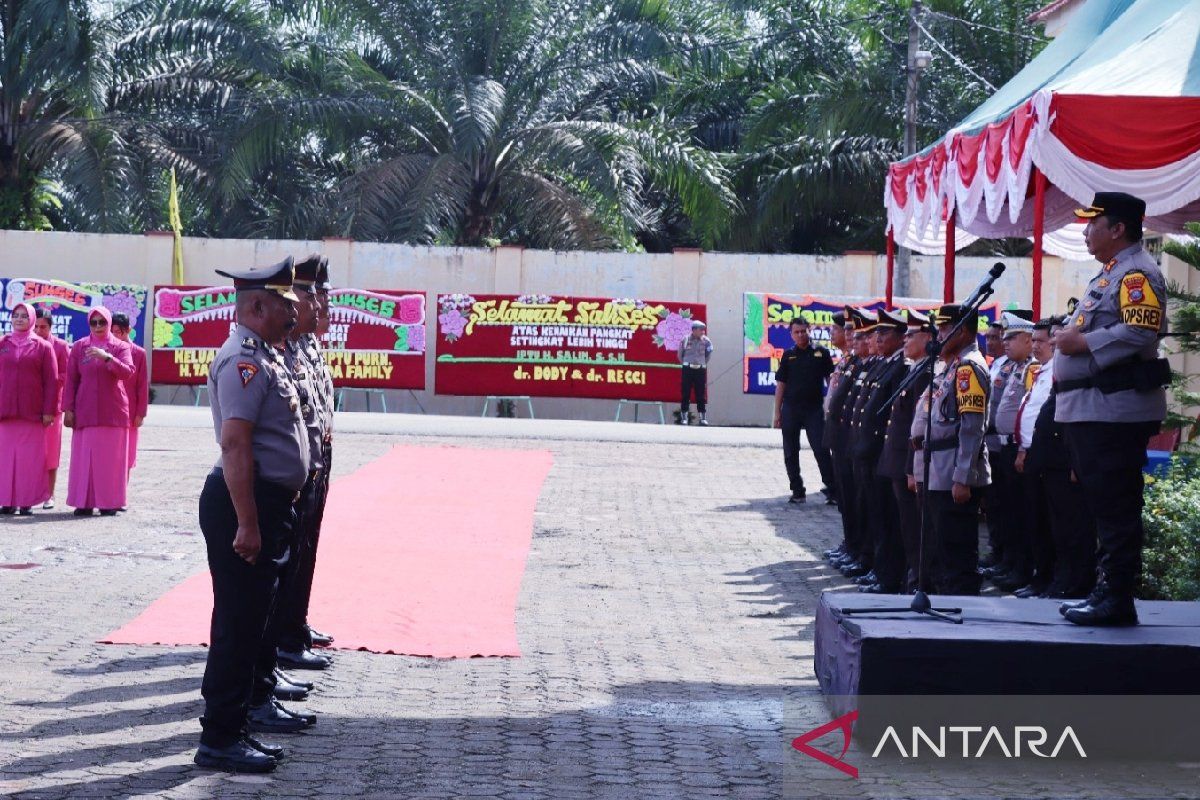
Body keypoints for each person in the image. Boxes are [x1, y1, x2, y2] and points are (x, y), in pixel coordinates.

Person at [195, 257, 310, 774]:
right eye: (285, 305)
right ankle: (220, 737)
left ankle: (235, 726)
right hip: (246, 503)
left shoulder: (266, 354)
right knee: (238, 623)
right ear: (257, 306)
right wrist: (247, 522)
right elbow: (235, 444)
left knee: (250, 621)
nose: (294, 313)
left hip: (264, 502)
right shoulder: (243, 359)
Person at [1056, 192, 1169, 626]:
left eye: (1092, 224)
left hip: (1114, 410)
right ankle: (1106, 590)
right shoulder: (1111, 274)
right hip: (1093, 409)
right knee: (1104, 506)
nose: (1085, 232)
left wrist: (1081, 342)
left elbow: (1141, 331)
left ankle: (1117, 598)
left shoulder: (1137, 272)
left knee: (1117, 507)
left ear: (1117, 228)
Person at [924, 304, 991, 596]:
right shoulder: (954, 366)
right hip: (942, 468)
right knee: (944, 548)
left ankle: (964, 611)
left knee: (958, 552)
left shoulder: (969, 368)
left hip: (956, 471)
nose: (938, 335)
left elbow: (972, 427)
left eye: (943, 328)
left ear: (962, 331)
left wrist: (962, 476)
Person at [852, 309, 910, 593]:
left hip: (881, 451)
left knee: (887, 518)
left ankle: (888, 574)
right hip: (871, 450)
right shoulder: (886, 364)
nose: (877, 337)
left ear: (900, 338)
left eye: (883, 333)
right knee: (877, 515)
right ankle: (880, 569)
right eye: (876, 333)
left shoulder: (902, 367)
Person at [877, 310, 934, 593]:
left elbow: (917, 426)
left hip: (908, 463)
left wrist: (912, 467)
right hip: (898, 460)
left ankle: (917, 582)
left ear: (928, 338)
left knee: (914, 528)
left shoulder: (925, 373)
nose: (906, 340)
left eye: (912, 335)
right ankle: (910, 578)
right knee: (905, 526)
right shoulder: (915, 369)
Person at [63, 308, 134, 516]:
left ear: (109, 323)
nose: (97, 326)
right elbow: (71, 380)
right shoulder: (79, 347)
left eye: (102, 322)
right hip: (85, 410)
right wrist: (68, 408)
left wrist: (107, 358)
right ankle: (83, 502)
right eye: (93, 322)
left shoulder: (120, 346)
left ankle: (109, 502)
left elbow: (128, 372)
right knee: (83, 460)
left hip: (112, 411)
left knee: (110, 462)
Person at [987, 311, 1038, 593]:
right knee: (1006, 511)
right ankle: (1008, 563)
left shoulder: (1031, 369)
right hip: (1002, 447)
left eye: (1011, 338)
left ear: (1029, 340)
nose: (1005, 343)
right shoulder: (1013, 367)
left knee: (1020, 514)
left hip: (1018, 448)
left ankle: (1021, 568)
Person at [0, 303, 58, 515]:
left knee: (29, 461)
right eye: (16, 315)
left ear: (32, 319)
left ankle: (26, 502)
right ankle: (6, 501)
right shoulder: (3, 343)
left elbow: (51, 381)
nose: (19, 319)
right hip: (5, 412)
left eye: (24, 316)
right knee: (5, 460)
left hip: (32, 413)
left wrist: (48, 410)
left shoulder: (43, 346)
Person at [773, 317, 836, 504]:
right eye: (796, 332)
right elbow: (781, 385)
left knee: (821, 449)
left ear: (810, 330)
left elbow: (830, 382)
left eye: (803, 331)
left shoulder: (821, 353)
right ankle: (797, 490)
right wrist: (777, 413)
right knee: (790, 451)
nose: (800, 335)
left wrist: (831, 407)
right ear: (791, 334)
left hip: (814, 409)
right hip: (791, 409)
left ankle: (833, 490)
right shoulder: (788, 355)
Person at [980, 318, 1009, 570]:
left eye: (995, 338)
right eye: (987, 337)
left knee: (1002, 505)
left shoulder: (1009, 367)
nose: (990, 342)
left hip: (999, 444)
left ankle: (1004, 556)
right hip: (988, 444)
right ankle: (996, 552)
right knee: (992, 505)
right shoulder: (992, 367)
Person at [34, 307, 69, 509]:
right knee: (28, 453)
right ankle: (27, 493)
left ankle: (50, 494)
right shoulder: (25, 345)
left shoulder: (61, 347)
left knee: (51, 453)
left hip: (52, 409)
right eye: (36, 326)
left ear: (51, 327)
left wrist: (46, 382)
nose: (39, 331)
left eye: (43, 327)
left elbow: (66, 375)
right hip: (28, 408)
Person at [111, 314, 149, 479]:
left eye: (119, 332)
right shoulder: (107, 352)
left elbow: (142, 385)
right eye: (112, 332)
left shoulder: (139, 353)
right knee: (110, 455)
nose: (115, 336)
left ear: (128, 330)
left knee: (127, 455)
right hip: (110, 410)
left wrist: (140, 413)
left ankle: (121, 493)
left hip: (130, 411)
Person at [677, 320, 712, 425]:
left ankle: (702, 418)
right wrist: (686, 364)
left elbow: (708, 354)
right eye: (701, 329)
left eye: (703, 329)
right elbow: (680, 355)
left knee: (701, 394)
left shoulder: (706, 341)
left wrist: (702, 363)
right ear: (694, 330)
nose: (703, 332)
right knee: (685, 393)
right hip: (688, 369)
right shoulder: (686, 339)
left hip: (700, 369)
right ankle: (684, 418)